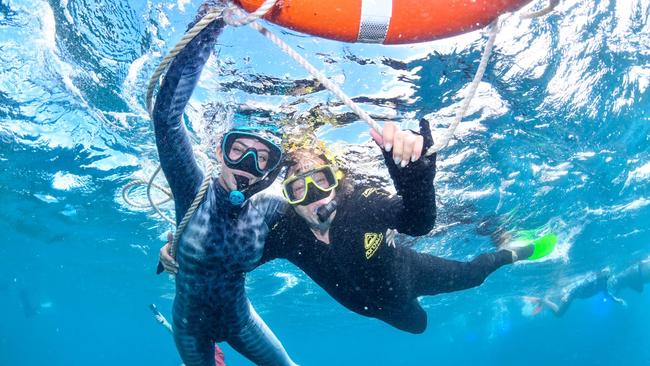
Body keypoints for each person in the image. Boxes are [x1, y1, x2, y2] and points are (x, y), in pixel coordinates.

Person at [162, 119, 556, 335]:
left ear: (338, 179)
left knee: (472, 277)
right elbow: (233, 260)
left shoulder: (363, 206)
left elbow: (419, 222)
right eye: (299, 190)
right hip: (373, 310)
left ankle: (512, 251)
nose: (315, 197)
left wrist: (415, 178)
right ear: (287, 198)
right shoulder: (285, 231)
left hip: (409, 276)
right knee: (417, 327)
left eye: (321, 182)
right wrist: (178, 253)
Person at [152, 3, 297, 365]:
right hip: (189, 329)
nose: (248, 165)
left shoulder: (269, 207)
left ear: (269, 170)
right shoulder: (192, 190)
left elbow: (320, 208)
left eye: (261, 158)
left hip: (241, 322)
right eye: (239, 151)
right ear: (220, 150)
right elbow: (167, 118)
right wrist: (211, 20)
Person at [528, 256, 650, 317]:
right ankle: (544, 300)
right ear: (600, 272)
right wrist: (568, 294)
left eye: (608, 272)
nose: (607, 273)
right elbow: (578, 285)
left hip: (577, 295)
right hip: (572, 294)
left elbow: (608, 293)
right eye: (604, 271)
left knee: (559, 313)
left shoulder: (605, 282)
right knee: (559, 313)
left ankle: (544, 300)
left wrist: (616, 300)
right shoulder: (592, 278)